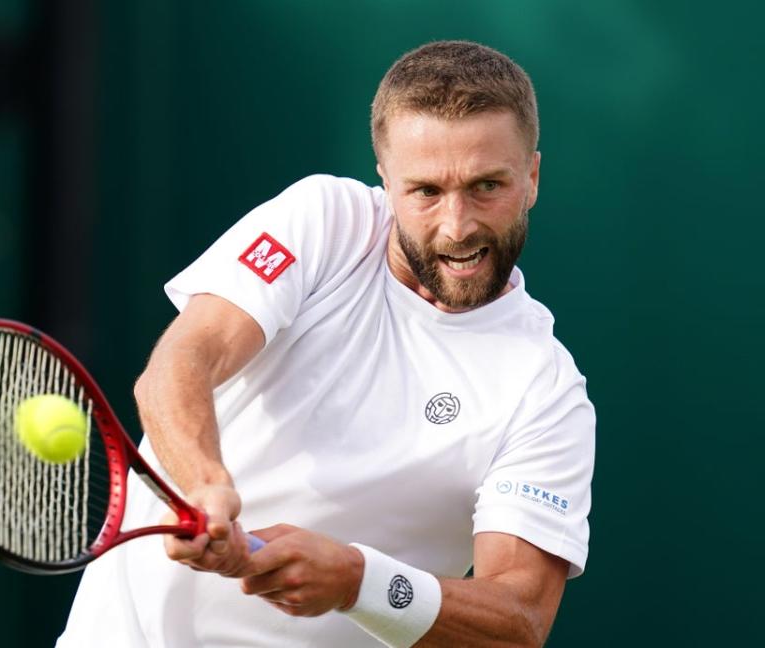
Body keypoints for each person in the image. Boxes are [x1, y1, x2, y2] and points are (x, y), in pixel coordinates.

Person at [58, 40, 595, 648]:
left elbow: (520, 618)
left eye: (486, 185)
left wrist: (357, 582)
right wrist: (206, 483)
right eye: (425, 192)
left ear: (532, 178)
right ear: (386, 183)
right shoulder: (324, 221)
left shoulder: (545, 392)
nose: (457, 225)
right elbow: (184, 360)